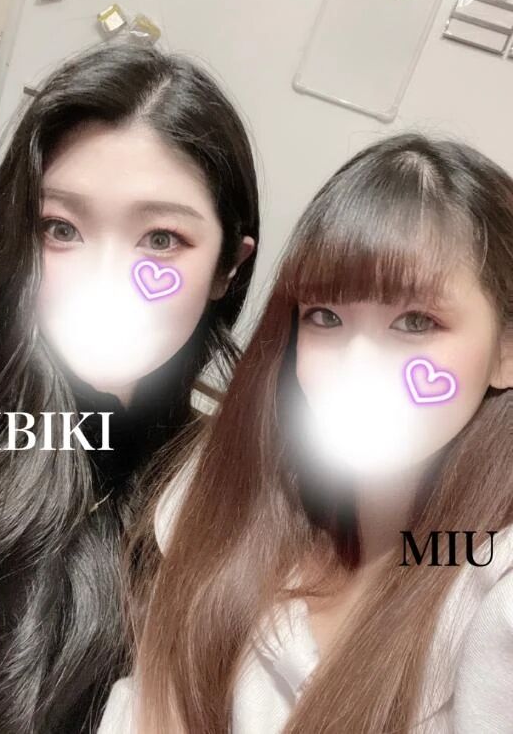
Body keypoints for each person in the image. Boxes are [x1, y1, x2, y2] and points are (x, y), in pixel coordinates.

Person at [100, 133, 513, 733]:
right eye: (326, 316)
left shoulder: (493, 593)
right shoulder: (234, 487)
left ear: (506, 351)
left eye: (416, 322)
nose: (356, 366)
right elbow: (149, 704)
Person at [0, 39, 258, 733]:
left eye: (161, 239)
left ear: (227, 270)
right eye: (61, 228)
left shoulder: (212, 481)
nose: (105, 279)